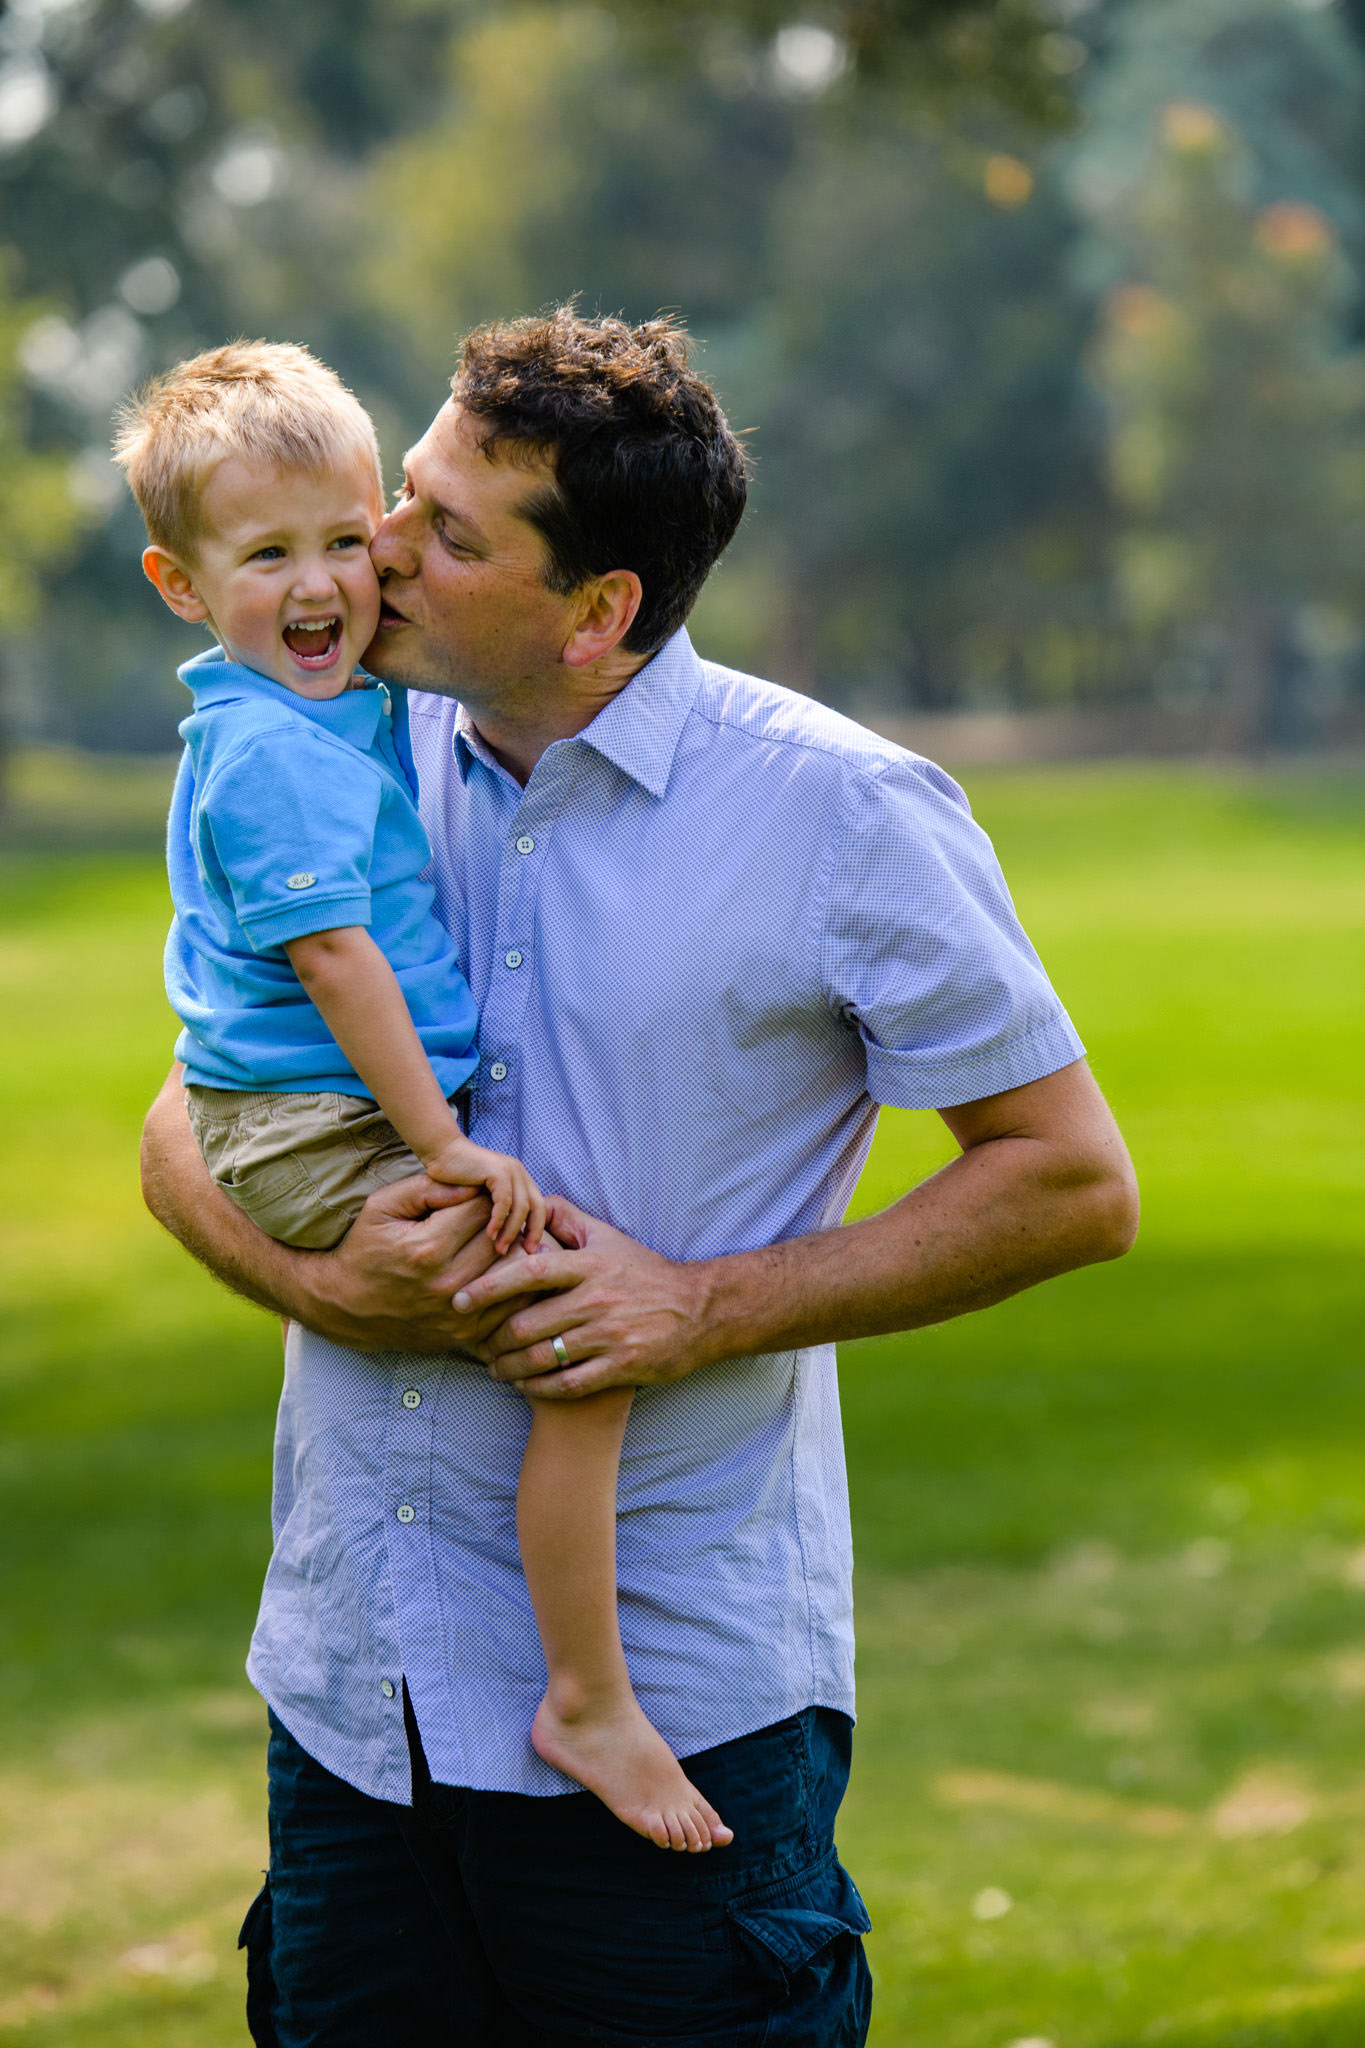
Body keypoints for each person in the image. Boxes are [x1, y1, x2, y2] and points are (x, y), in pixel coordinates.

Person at [141, 307, 1140, 2048]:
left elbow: (1068, 1181)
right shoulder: (339, 746)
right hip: (353, 1709)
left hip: (675, 1716)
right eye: (409, 495)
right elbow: (182, 1126)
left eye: (446, 534)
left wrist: (692, 1307)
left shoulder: (842, 811)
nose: (380, 550)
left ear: (597, 609)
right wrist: (315, 1279)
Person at [115, 339, 731, 1857]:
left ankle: (576, 1688)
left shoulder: (322, 710)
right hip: (311, 1121)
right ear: (178, 584)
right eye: (273, 555)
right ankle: (586, 1697)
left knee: (565, 1325)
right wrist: (442, 1148)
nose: (342, 576)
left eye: (355, 533)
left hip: (307, 1105)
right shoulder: (274, 753)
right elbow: (338, 966)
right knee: (579, 1335)